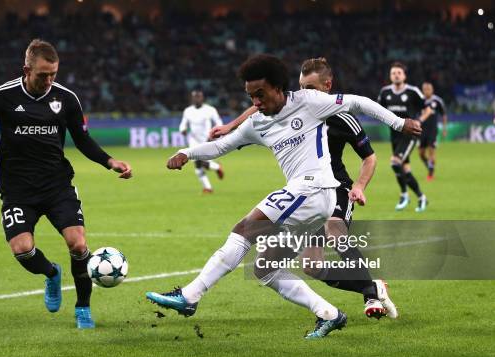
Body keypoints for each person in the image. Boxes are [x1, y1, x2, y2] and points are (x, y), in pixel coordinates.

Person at [147, 54, 419, 338]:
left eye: (261, 94)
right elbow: (220, 147)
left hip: (317, 189)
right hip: (306, 199)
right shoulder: (257, 123)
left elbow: (358, 102)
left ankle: (190, 296)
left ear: (279, 87)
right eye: (251, 96)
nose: (256, 103)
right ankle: (329, 314)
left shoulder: (308, 102)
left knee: (245, 228)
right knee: (266, 267)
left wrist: (399, 123)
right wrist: (186, 153)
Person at [0, 39, 132, 329]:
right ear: (26, 69)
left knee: (78, 244)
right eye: (42, 75)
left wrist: (110, 162)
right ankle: (51, 273)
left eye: (53, 74)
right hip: (17, 190)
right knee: (22, 249)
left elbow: (82, 139)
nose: (49, 81)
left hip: (57, 185)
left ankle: (83, 308)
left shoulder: (66, 98)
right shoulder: (2, 95)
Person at [209, 57, 403, 319]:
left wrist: (359, 186)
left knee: (336, 231)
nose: (304, 93)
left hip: (338, 190)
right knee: (312, 267)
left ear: (327, 85)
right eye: (302, 87)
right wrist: (232, 125)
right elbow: (257, 108)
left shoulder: (342, 118)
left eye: (310, 88)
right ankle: (373, 287)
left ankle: (370, 298)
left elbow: (369, 157)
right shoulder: (295, 108)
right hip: (307, 194)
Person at [377, 62, 432, 212]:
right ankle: (421, 198)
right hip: (394, 135)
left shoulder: (413, 91)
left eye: (399, 73)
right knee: (405, 169)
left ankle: (404, 195)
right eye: (393, 73)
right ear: (390, 75)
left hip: (409, 135)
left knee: (395, 163)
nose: (396, 75)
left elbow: (427, 110)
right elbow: (378, 110)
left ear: (404, 75)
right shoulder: (385, 92)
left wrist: (418, 122)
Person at [179, 89, 225, 193]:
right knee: (197, 163)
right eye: (195, 96)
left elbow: (218, 121)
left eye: (198, 96)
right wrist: (183, 129)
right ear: (192, 98)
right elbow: (183, 123)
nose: (196, 98)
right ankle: (208, 187)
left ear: (202, 98)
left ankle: (216, 167)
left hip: (207, 139)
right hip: (193, 140)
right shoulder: (188, 111)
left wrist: (215, 133)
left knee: (201, 163)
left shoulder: (210, 110)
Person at [419, 82, 447, 181]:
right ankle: (430, 166)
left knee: (431, 151)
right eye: (425, 89)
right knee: (421, 153)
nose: (427, 91)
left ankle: (430, 173)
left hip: (432, 130)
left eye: (429, 89)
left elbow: (443, 115)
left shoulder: (437, 101)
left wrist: (444, 128)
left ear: (432, 90)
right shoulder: (420, 100)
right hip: (421, 130)